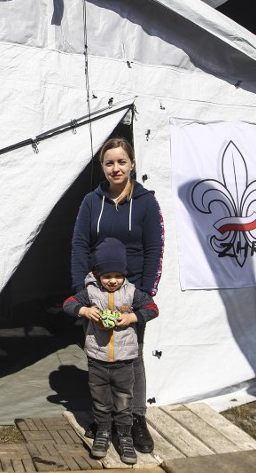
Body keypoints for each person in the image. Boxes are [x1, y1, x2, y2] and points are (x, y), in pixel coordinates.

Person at [71, 137, 164, 453]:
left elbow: (155, 249)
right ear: (102, 166)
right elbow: (80, 245)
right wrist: (81, 291)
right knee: (97, 351)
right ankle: (104, 418)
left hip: (132, 291)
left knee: (131, 355)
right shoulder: (90, 202)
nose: (116, 168)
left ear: (132, 164)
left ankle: (135, 418)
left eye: (121, 161)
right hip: (97, 291)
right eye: (109, 162)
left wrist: (146, 293)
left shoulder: (147, 202)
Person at [63, 238, 159, 464]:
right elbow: (67, 304)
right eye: (107, 276)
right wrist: (85, 311)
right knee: (101, 400)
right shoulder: (91, 292)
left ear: (124, 274)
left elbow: (153, 308)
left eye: (117, 276)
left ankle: (125, 436)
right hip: (97, 360)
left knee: (125, 400)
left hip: (125, 362)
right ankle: (104, 433)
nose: (112, 281)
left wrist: (133, 317)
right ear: (97, 275)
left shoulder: (132, 293)